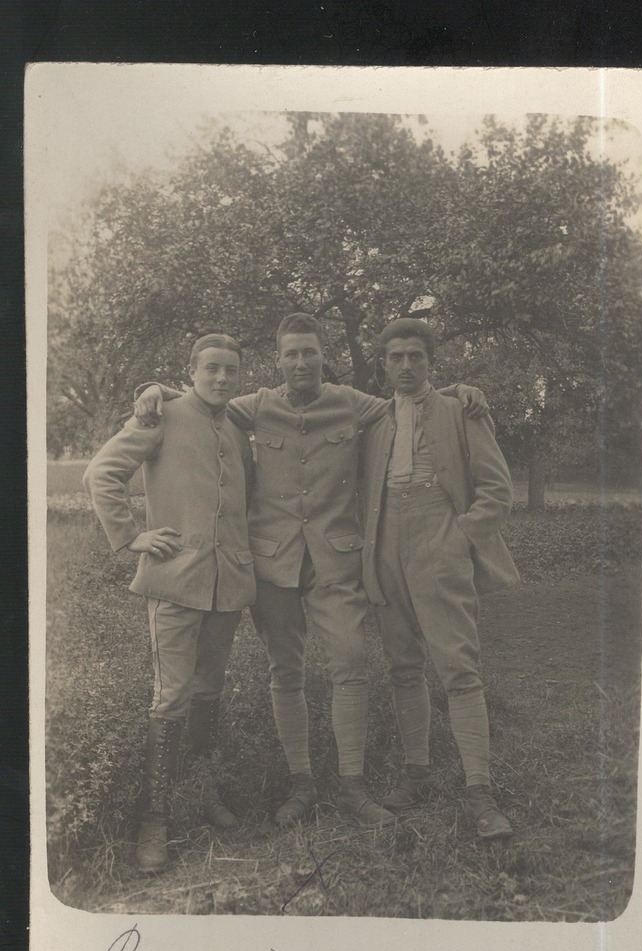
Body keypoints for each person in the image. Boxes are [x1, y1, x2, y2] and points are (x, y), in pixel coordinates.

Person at [134, 313, 487, 831]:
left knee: (350, 664)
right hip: (273, 564)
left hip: (335, 564)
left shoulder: (351, 402)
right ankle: (301, 783)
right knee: (286, 671)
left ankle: (352, 786)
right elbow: (203, 398)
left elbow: (410, 400)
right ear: (278, 361)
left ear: (325, 357)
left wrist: (460, 387)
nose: (301, 362)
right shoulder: (254, 405)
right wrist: (156, 389)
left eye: (310, 353)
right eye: (292, 354)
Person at [83, 334, 256, 872]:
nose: (222, 378)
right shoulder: (163, 415)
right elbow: (101, 473)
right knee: (171, 696)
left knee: (209, 691)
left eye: (231, 369)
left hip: (227, 587)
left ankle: (202, 793)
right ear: (192, 371)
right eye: (212, 369)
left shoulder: (235, 426)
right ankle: (152, 821)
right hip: (176, 584)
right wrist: (130, 535)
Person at [360, 318, 520, 838]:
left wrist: (459, 536)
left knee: (459, 669)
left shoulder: (460, 410)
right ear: (383, 364)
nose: (406, 366)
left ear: (431, 362)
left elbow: (497, 490)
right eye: (396, 358)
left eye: (416, 357)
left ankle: (480, 792)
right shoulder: (375, 420)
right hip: (385, 545)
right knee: (403, 667)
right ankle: (417, 774)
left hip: (440, 539)